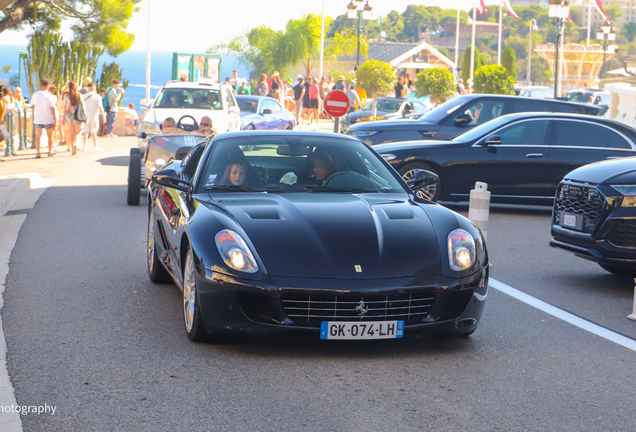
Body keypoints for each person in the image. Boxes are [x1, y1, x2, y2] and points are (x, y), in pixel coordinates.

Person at [31, 78, 58, 158]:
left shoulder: (35, 94)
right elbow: (52, 109)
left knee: (38, 136)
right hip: (48, 119)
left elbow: (33, 105)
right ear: (48, 86)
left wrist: (35, 113)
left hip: (38, 119)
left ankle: (38, 152)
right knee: (50, 136)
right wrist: (55, 119)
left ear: (41, 85)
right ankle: (50, 151)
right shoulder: (50, 96)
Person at [80, 82, 105, 152]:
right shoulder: (97, 97)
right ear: (94, 87)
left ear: (88, 88)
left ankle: (85, 146)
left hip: (85, 116)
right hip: (94, 116)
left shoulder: (83, 96)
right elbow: (100, 107)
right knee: (94, 132)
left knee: (85, 131)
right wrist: (103, 116)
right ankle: (95, 146)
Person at [63, 80, 86, 155]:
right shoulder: (79, 95)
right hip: (77, 115)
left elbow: (64, 107)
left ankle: (72, 147)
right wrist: (85, 115)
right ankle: (76, 144)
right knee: (78, 132)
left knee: (71, 132)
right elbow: (83, 106)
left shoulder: (66, 96)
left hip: (68, 116)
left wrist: (63, 117)